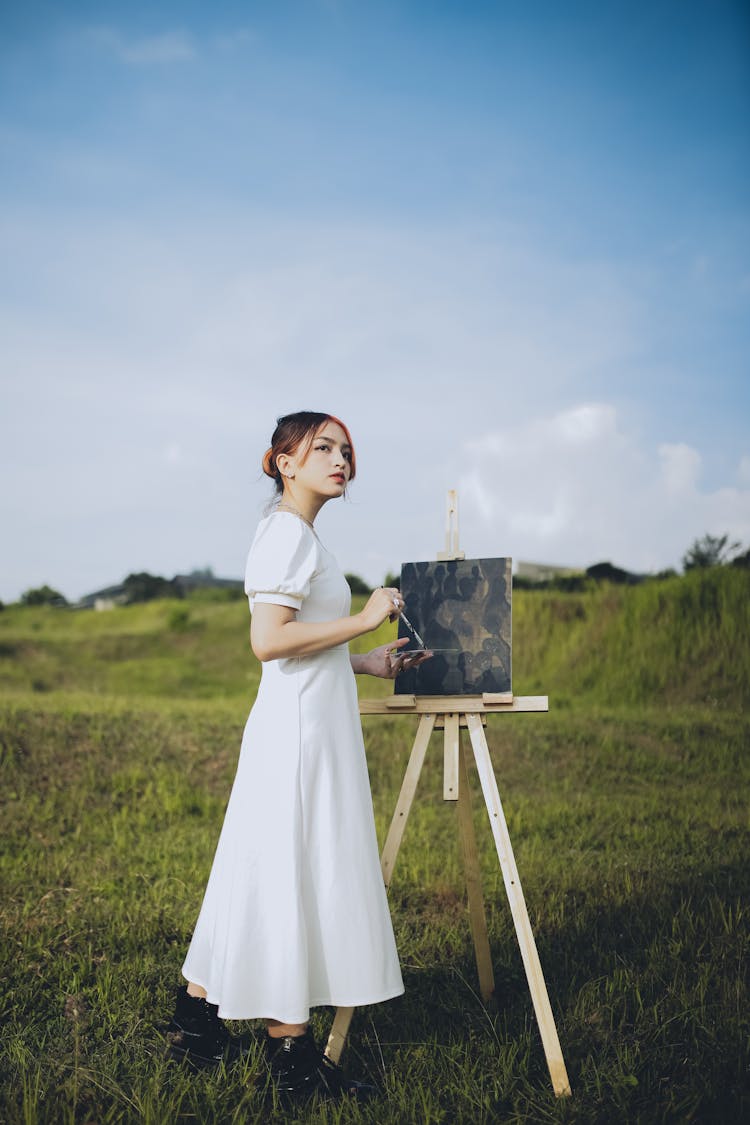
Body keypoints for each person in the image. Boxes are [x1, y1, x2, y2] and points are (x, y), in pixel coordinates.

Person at [168, 411, 428, 1101]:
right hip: (297, 736)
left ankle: (196, 1021)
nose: (340, 458)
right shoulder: (287, 532)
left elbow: (305, 645)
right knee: (290, 871)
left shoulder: (300, 535)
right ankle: (292, 1055)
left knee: (258, 868)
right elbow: (268, 640)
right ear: (284, 460)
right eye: (323, 447)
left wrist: (367, 659)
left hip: (303, 721)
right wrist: (365, 618)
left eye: (347, 450)